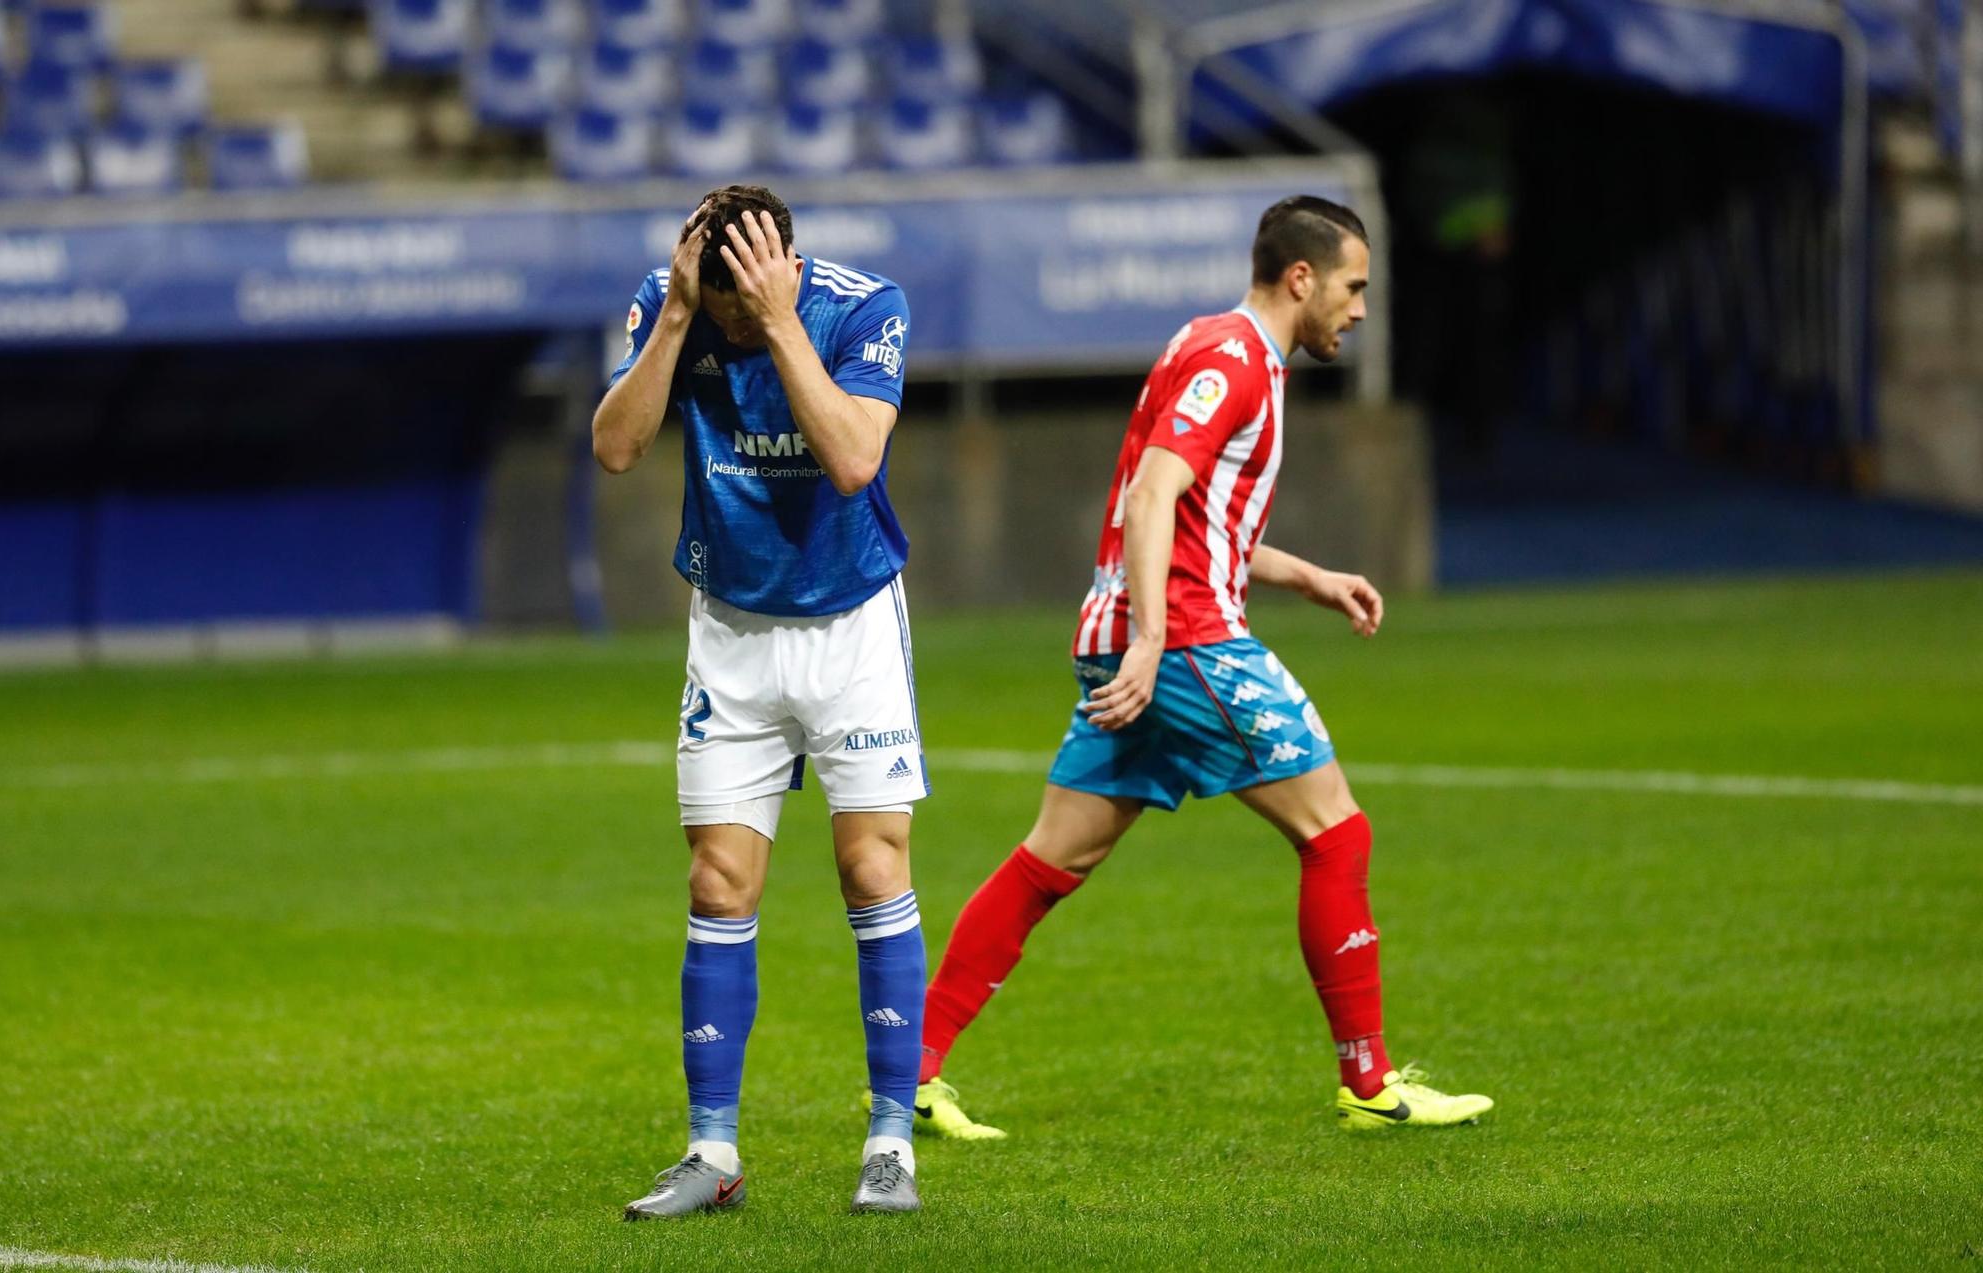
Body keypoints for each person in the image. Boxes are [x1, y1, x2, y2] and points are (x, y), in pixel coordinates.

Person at [899, 195, 1493, 1140]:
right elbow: (1153, 490)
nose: (1361, 308)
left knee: (1052, 857)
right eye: (1354, 286)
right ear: (1302, 278)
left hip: (1130, 638)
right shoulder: (1234, 365)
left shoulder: (1206, 341)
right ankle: (1371, 1082)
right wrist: (1151, 639)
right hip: (1183, 643)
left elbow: (1194, 516)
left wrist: (1305, 575)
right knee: (1336, 832)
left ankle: (909, 1077)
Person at [593, 184, 930, 1215]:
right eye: (723, 302)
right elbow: (615, 445)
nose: (732, 318)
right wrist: (685, 316)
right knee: (715, 884)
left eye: (748, 297)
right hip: (731, 630)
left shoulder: (864, 309)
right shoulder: (674, 299)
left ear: (784, 265)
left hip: (850, 626)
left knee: (871, 867)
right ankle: (712, 1151)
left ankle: (887, 1144)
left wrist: (778, 325)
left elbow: (850, 460)